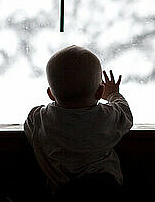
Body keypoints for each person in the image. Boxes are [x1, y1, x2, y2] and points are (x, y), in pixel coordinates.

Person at [24, 45, 133, 201]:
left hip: (62, 195)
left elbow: (30, 126)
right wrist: (113, 94)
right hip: (106, 192)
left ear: (50, 94)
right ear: (99, 92)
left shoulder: (40, 118)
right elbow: (125, 114)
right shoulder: (106, 117)